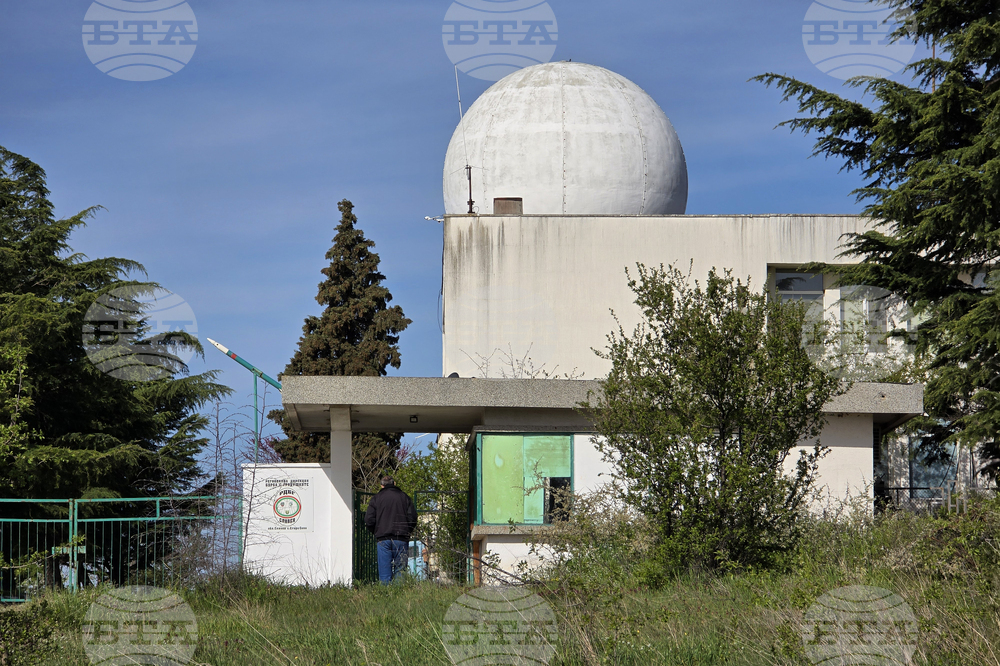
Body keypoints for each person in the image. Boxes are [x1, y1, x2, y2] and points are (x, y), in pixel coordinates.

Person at [364, 476, 418, 584]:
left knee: (384, 573)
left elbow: (368, 520)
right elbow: (412, 517)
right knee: (400, 571)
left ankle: (385, 596)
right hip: (401, 538)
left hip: (383, 538)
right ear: (394, 483)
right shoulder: (404, 497)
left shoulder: (376, 498)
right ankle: (399, 596)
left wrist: (376, 531)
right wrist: (407, 531)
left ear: (382, 485)